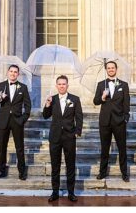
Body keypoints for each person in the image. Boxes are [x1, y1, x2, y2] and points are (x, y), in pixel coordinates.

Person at [43, 75, 83, 203]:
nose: (61, 86)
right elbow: (45, 116)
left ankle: (71, 192)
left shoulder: (74, 99)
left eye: (64, 84)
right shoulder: (52, 99)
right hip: (55, 137)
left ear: (67, 85)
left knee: (70, 165)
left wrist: (77, 132)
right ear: (56, 86)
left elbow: (79, 117)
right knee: (55, 166)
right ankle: (55, 192)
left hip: (69, 137)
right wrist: (47, 104)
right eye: (59, 84)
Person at [0, 65, 31, 180]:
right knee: (2, 146)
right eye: (11, 71)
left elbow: (28, 105)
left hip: (17, 121)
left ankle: (22, 171)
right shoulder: (1, 85)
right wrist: (0, 98)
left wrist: (23, 118)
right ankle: (1, 170)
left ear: (18, 74)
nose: (13, 74)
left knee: (20, 147)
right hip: (4, 120)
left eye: (15, 72)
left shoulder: (23, 87)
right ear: (7, 73)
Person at [93, 61, 129, 182]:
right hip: (105, 121)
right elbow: (95, 101)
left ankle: (124, 173)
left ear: (116, 69)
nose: (111, 69)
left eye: (112, 68)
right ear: (106, 70)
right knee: (104, 148)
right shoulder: (100, 85)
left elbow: (126, 103)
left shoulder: (123, 85)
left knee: (122, 148)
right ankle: (102, 172)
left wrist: (125, 118)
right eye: (108, 68)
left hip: (119, 121)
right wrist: (102, 97)